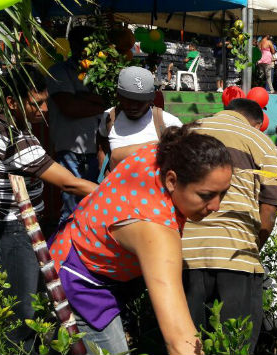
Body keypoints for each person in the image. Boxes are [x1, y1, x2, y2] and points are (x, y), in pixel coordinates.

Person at [48, 125, 232, 355]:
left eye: (222, 193)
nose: (216, 206)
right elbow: (179, 341)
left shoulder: (163, 153)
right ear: (172, 181)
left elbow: (116, 155)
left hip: (83, 248)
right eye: (206, 196)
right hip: (80, 279)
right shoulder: (156, 232)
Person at [0, 65, 97, 349]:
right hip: (12, 230)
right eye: (37, 103)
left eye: (45, 101)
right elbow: (69, 183)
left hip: (3, 221)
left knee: (17, 303)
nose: (45, 108)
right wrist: (117, 197)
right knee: (22, 319)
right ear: (11, 102)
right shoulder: (17, 141)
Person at [182, 98, 277, 353]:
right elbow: (269, 209)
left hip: (186, 252)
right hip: (237, 253)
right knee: (235, 342)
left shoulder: (189, 131)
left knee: (187, 341)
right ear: (257, 123)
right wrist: (252, 245)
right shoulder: (261, 141)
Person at [47, 26, 106, 224]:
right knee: (72, 206)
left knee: (93, 204)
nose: (86, 47)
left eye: (89, 43)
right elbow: (70, 107)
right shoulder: (59, 71)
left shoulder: (99, 72)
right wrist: (99, 102)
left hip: (96, 148)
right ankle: (65, 249)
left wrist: (84, 98)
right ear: (73, 44)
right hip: (70, 147)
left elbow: (106, 100)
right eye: (82, 42)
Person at [96, 66, 182, 174]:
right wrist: (104, 171)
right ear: (118, 96)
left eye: (140, 101)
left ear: (151, 99)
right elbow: (102, 141)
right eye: (128, 99)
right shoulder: (109, 117)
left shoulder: (168, 123)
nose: (133, 106)